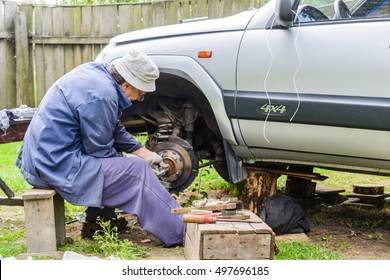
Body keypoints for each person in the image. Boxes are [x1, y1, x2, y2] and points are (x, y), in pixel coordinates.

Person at [16, 50, 184, 247]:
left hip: (44, 159)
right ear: (126, 84)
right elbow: (99, 150)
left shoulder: (96, 74)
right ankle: (179, 231)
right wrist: (134, 162)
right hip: (54, 166)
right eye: (140, 93)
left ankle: (99, 220)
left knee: (124, 163)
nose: (139, 99)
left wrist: (142, 151)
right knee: (137, 172)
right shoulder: (101, 95)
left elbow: (111, 127)